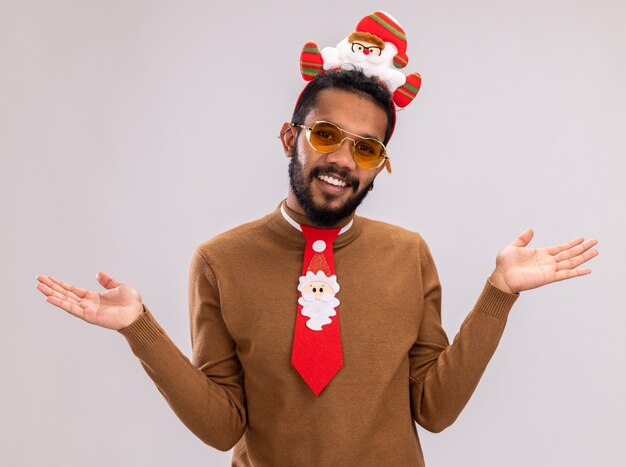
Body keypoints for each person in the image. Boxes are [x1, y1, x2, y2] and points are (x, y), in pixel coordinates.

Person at [35, 12, 599, 467]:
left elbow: (434, 408)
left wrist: (500, 291)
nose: (340, 161)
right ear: (291, 137)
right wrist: (140, 330)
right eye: (326, 135)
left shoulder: (409, 254)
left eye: (366, 148)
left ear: (380, 164)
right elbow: (223, 425)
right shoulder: (219, 261)